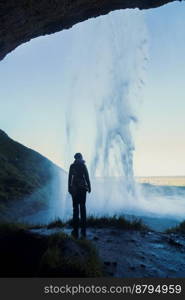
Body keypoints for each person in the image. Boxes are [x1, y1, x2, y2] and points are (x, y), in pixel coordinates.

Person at [68, 153, 91, 238]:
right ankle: (81, 229)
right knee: (80, 208)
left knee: (77, 208)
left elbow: (70, 178)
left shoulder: (72, 166)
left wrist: (69, 188)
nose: (78, 159)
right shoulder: (82, 165)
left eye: (78, 158)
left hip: (75, 189)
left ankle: (76, 229)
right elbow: (87, 177)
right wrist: (89, 186)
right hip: (81, 189)